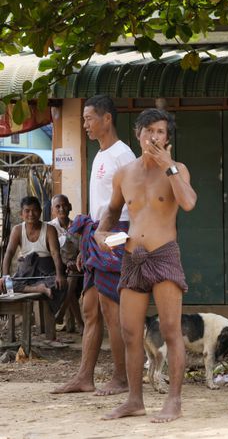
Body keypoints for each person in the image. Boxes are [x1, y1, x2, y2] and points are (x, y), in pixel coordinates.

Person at [94, 108, 196, 423]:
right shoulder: (124, 173)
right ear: (138, 134)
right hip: (131, 256)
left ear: (168, 138)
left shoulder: (178, 169)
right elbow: (112, 211)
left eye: (161, 131)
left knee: (169, 330)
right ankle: (134, 400)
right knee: (129, 332)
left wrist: (169, 168)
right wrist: (102, 232)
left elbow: (189, 203)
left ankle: (174, 401)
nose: (154, 136)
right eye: (148, 130)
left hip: (164, 254)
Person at [52, 95, 136, 396]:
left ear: (107, 119)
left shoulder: (122, 155)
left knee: (110, 309)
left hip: (116, 236)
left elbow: (132, 206)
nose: (85, 124)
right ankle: (84, 377)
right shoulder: (100, 154)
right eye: (84, 119)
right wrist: (88, 246)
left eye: (89, 118)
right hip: (97, 237)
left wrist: (112, 243)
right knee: (89, 308)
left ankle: (121, 378)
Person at [1, 197, 66, 310]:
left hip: (46, 273)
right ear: (21, 214)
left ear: (40, 212)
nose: (31, 214)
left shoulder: (50, 229)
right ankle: (38, 288)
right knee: (8, 285)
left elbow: (55, 254)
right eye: (27, 211)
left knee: (59, 284)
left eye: (35, 210)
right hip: (26, 272)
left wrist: (59, 275)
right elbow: (9, 253)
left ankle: (42, 289)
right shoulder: (17, 230)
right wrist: (5, 276)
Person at [49, 194, 83, 334]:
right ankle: (80, 324)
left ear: (70, 207)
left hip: (76, 265)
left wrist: (75, 262)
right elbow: (52, 251)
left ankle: (62, 313)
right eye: (58, 206)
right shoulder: (50, 227)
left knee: (73, 275)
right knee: (71, 280)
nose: (61, 208)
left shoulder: (78, 227)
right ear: (53, 210)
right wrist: (64, 263)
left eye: (64, 205)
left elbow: (82, 249)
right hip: (57, 266)